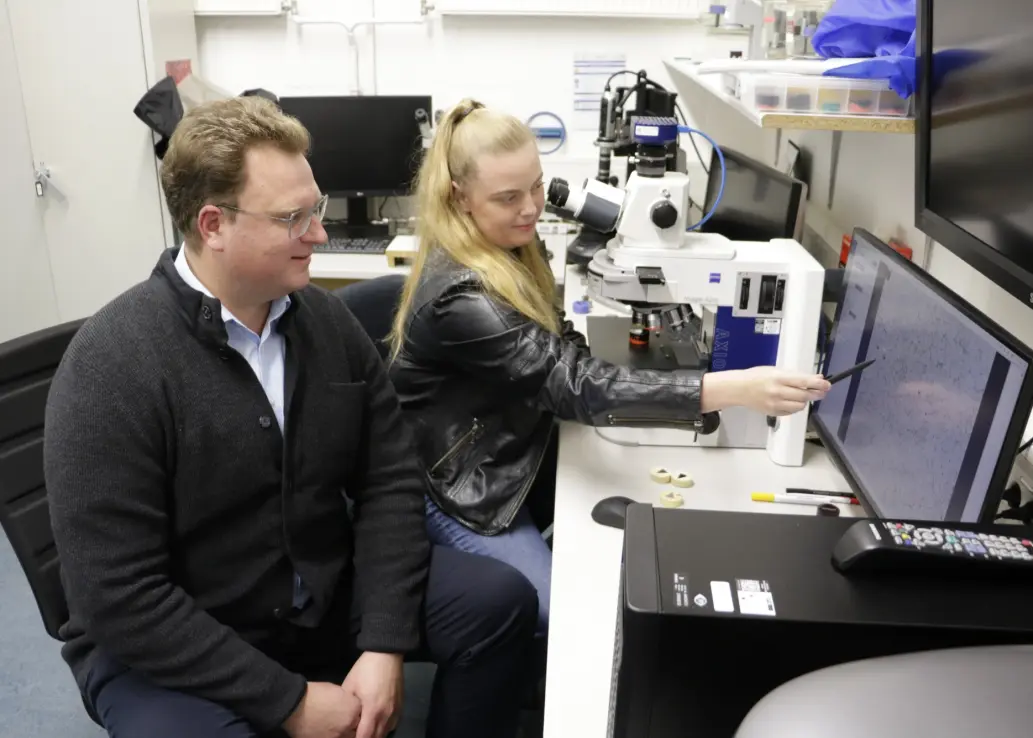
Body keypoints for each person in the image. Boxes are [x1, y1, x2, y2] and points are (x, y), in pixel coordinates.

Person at [44, 96, 538, 738]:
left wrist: (384, 640)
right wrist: (288, 702)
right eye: (292, 218)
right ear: (214, 224)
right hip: (169, 642)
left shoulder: (324, 323)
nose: (319, 233)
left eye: (317, 208)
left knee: (499, 602)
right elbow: (118, 597)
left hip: (313, 596)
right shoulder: (111, 365)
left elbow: (389, 481)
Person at [387, 98, 831, 636]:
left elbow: (557, 344)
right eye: (508, 197)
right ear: (459, 197)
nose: (531, 208)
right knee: (560, 616)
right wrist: (731, 388)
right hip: (457, 489)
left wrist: (618, 381)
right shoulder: (462, 298)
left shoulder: (508, 242)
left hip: (507, 449)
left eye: (536, 186)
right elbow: (574, 385)